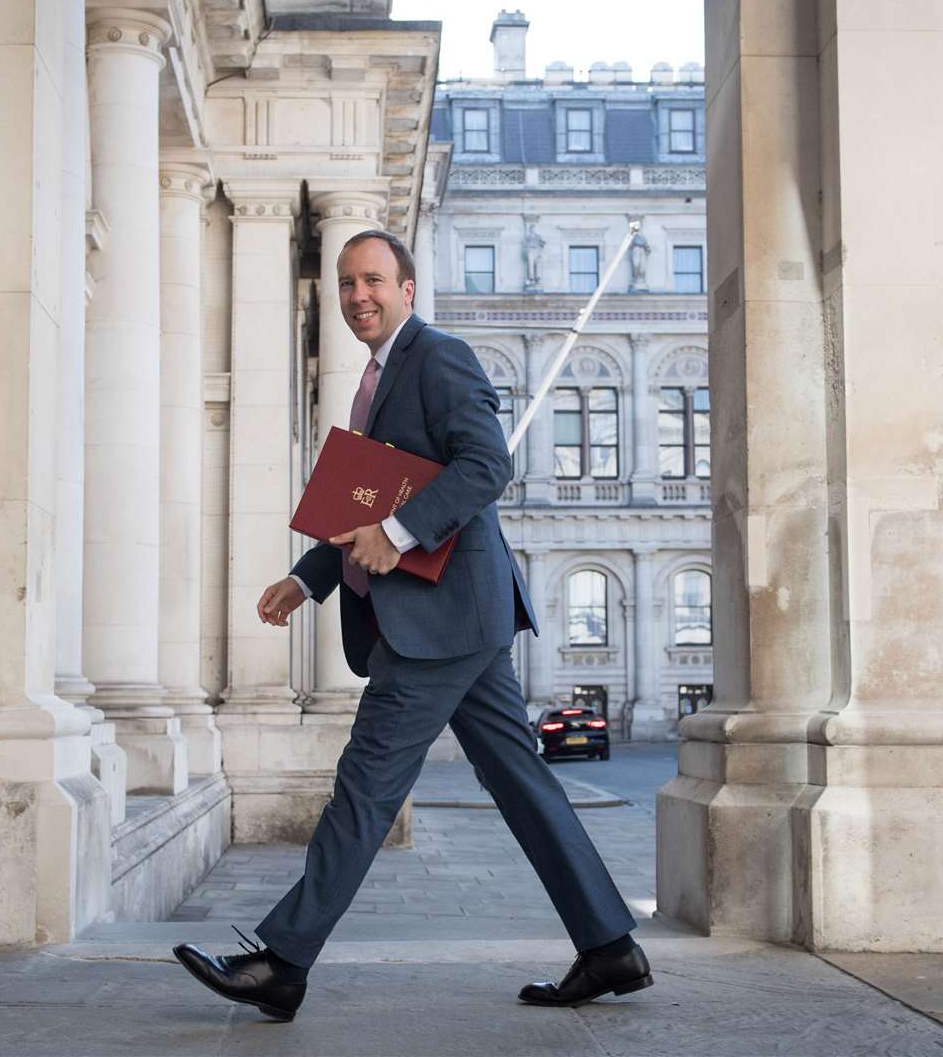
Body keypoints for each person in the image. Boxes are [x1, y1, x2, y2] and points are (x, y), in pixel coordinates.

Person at [171, 230, 647, 1021]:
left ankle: (283, 962)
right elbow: (367, 498)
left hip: (440, 620)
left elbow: (486, 466)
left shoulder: (438, 357)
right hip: (462, 617)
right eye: (347, 283)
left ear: (408, 289)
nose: (359, 295)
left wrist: (396, 536)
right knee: (523, 785)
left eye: (374, 281)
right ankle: (609, 948)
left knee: (364, 786)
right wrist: (307, 576)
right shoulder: (375, 378)